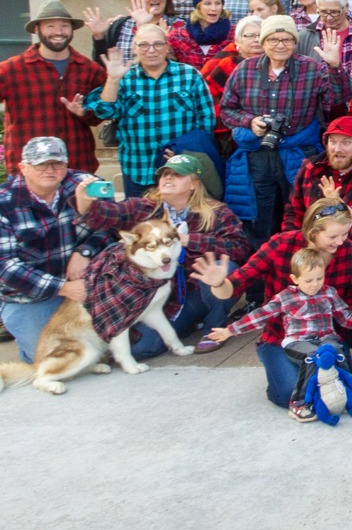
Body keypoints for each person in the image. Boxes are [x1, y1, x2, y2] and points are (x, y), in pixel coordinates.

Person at [77, 152, 249, 354]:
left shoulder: (217, 212)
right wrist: (85, 203)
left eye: (177, 174)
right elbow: (105, 217)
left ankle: (214, 327)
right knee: (142, 349)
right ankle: (189, 324)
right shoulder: (142, 208)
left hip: (197, 290)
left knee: (225, 270)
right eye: (164, 173)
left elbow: (239, 247)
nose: (168, 177)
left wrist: (188, 240)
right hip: (155, 296)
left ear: (194, 183)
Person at [204, 246, 352, 419]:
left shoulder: (329, 293)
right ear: (295, 279)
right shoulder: (286, 297)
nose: (315, 284)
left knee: (338, 351)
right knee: (311, 357)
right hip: (298, 342)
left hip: (325, 338)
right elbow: (259, 315)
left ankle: (351, 391)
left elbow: (345, 317)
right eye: (308, 280)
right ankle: (299, 403)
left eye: (320, 278)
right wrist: (229, 331)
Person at [218, 16, 347, 242]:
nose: (280, 45)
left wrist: (335, 67)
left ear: (295, 42)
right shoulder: (245, 69)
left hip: (299, 152)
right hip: (257, 154)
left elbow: (339, 99)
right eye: (274, 39)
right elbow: (227, 110)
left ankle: (300, 266)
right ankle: (261, 266)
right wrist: (250, 121)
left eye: (287, 39)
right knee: (260, 217)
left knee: (301, 214)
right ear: (264, 41)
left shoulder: (312, 68)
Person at [0, 137, 113, 360]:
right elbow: (6, 267)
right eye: (41, 164)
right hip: (31, 296)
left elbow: (113, 228)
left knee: (110, 351)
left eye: (57, 164)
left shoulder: (87, 185)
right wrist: (64, 288)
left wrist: (86, 251)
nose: (50, 170)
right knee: (52, 359)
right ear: (23, 167)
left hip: (87, 284)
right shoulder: (5, 202)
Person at [82, 24, 215, 198]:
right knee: (143, 223)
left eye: (157, 44)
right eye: (143, 45)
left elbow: (206, 121)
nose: (151, 50)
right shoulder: (125, 78)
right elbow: (105, 112)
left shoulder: (189, 76)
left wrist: (187, 152)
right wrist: (113, 79)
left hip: (180, 169)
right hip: (138, 168)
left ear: (167, 47)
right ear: (135, 49)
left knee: (183, 222)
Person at [0, 0, 106, 175]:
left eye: (64, 26)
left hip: (77, 167)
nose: (58, 32)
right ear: (36, 30)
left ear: (72, 30)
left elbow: (103, 113)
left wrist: (85, 113)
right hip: (29, 171)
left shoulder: (90, 70)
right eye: (50, 26)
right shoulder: (10, 69)